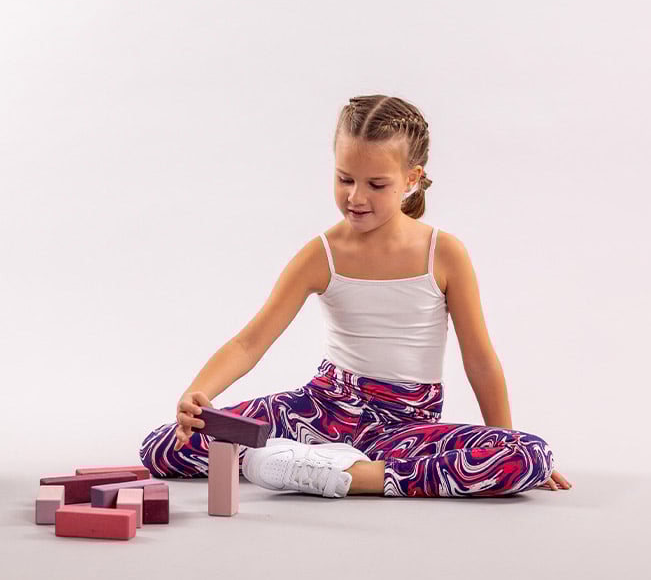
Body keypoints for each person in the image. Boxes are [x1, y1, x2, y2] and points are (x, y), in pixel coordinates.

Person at [139, 94, 572, 499]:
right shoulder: (321, 254)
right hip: (320, 409)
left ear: (411, 179)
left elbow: (479, 360)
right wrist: (197, 394)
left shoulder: (444, 253)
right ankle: (297, 460)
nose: (356, 197)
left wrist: (504, 440)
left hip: (403, 424)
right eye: (344, 179)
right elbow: (248, 343)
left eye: (376, 185)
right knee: (162, 446)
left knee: (530, 455)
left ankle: (347, 475)